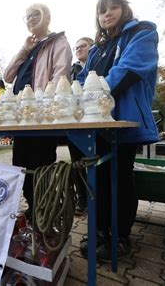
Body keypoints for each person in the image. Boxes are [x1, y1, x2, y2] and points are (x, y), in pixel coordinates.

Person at [76, 0, 159, 261]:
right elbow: (81, 78)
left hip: (123, 120)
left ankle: (120, 235)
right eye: (103, 10)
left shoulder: (143, 33)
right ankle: (99, 230)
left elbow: (129, 69)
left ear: (125, 10)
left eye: (114, 7)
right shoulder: (97, 50)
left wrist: (92, 93)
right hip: (94, 123)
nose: (108, 13)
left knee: (120, 177)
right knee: (97, 178)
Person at [4, 3, 72, 220]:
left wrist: (45, 107)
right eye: (27, 16)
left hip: (41, 118)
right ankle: (33, 209)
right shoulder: (29, 48)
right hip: (21, 119)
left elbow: (60, 78)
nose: (31, 19)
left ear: (47, 17)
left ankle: (44, 212)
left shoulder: (58, 42)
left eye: (36, 15)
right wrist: (24, 49)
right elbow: (7, 76)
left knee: (41, 166)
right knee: (21, 165)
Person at [68, 37, 94, 216]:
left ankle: (94, 199)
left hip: (93, 120)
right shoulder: (72, 70)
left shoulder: (97, 65)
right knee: (77, 163)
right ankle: (82, 198)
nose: (78, 49)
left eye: (83, 46)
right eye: (76, 47)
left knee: (93, 162)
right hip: (75, 121)